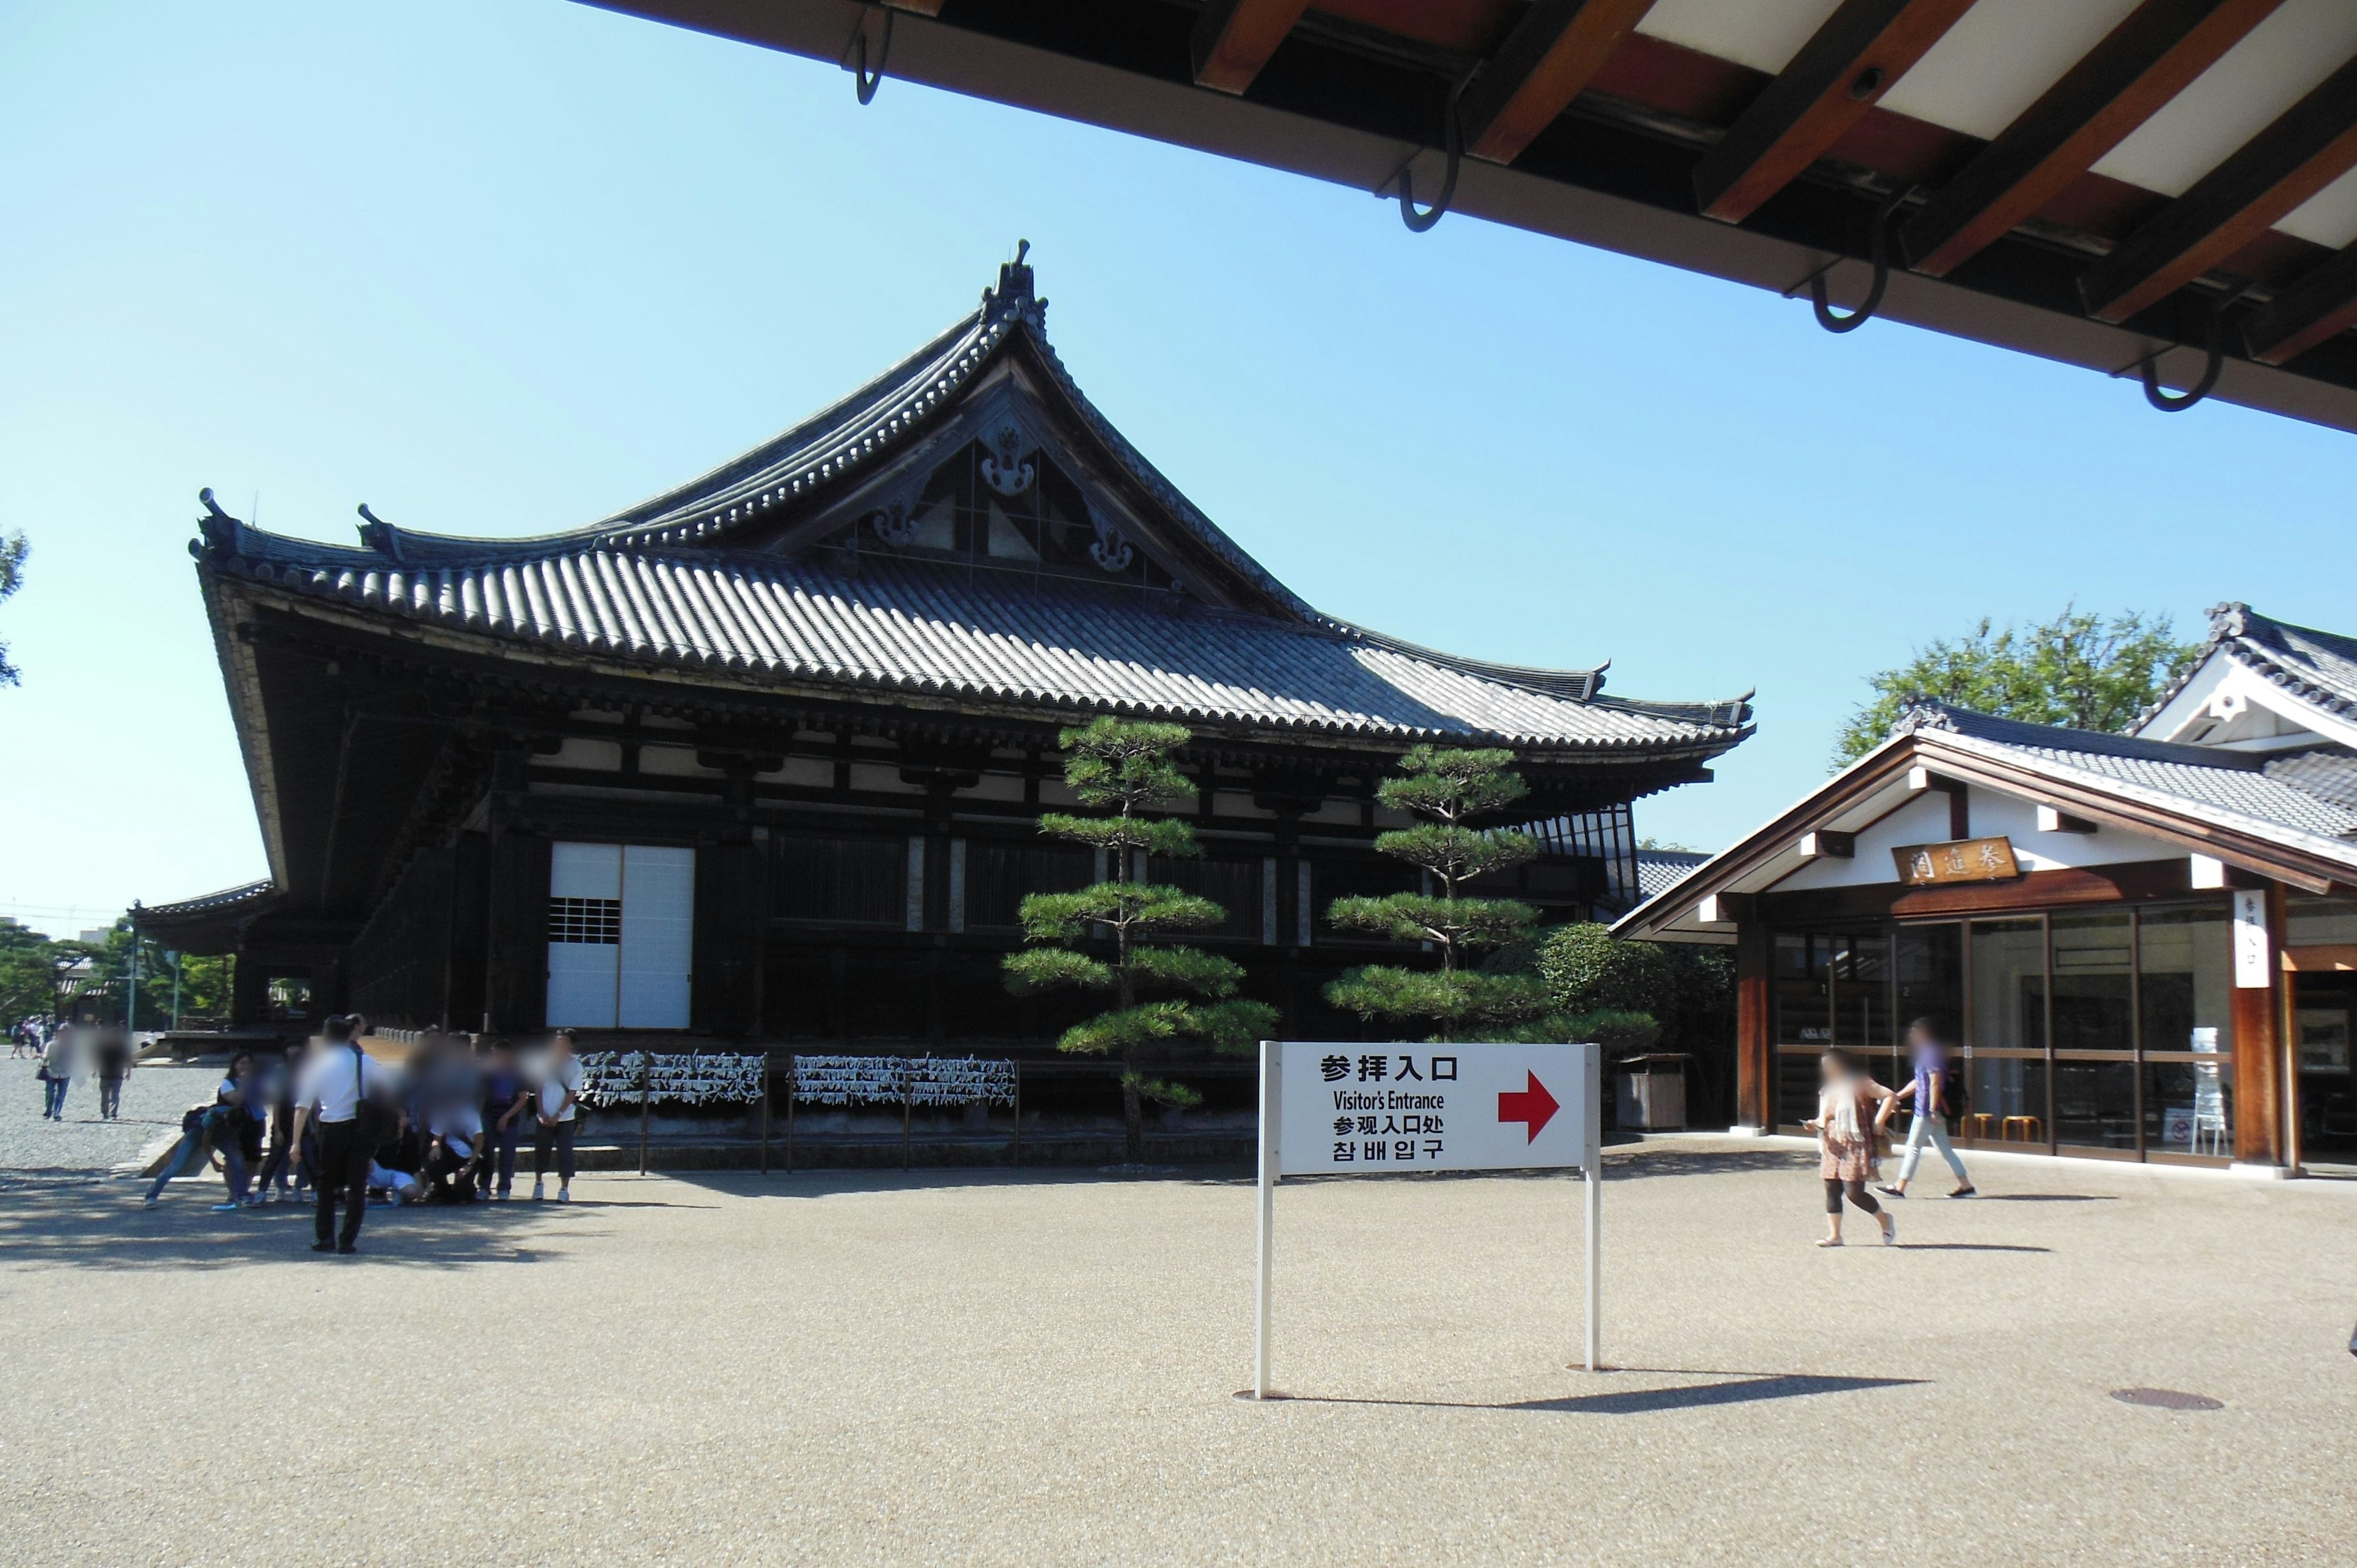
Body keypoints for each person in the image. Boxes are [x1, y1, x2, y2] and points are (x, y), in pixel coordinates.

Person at [291, 1016, 393, 1255]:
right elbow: (389, 1089)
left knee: (326, 1185)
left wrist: (295, 1142)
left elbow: (303, 1106)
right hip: (361, 1128)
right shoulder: (364, 1061)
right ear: (349, 1035)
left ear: (326, 1038)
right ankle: (347, 1240)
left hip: (331, 1128)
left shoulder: (318, 1064)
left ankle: (324, 1238)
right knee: (357, 1186)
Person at [1801, 1049, 1898, 1248]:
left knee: (1854, 1192)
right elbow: (1826, 1117)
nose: (1826, 1069)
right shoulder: (1829, 1089)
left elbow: (1890, 1096)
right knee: (1832, 1189)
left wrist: (1879, 1121)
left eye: (1830, 1065)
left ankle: (1885, 1220)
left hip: (1856, 1143)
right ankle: (1835, 1235)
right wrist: (1814, 1123)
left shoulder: (1860, 1082)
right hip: (1833, 1144)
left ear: (1841, 1064)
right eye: (1824, 1066)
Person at [1876, 1018, 1976, 1201]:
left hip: (1927, 1110)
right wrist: (1898, 1096)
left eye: (1914, 1032)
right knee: (1945, 1149)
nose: (1911, 1036)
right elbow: (1919, 1081)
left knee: (1913, 1147)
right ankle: (1966, 1185)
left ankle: (1900, 1187)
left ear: (1924, 1033)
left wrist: (1931, 1108)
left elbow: (1936, 1081)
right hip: (1929, 1109)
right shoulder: (1926, 1052)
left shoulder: (1931, 1052)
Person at [143, 1051, 254, 1210]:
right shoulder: (222, 1099)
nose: (245, 1067)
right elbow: (207, 1139)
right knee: (177, 1165)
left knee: (237, 1161)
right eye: (242, 1063)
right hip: (200, 1132)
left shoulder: (240, 1113)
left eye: (248, 1063)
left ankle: (241, 1195)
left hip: (223, 1133)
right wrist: (213, 1161)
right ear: (234, 1065)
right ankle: (151, 1196)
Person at [247, 1041, 306, 1206]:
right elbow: (277, 1102)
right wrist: (278, 1127)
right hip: (285, 1120)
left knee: (306, 1157)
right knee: (276, 1157)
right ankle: (271, 1189)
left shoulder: (309, 1072)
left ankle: (299, 1189)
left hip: (304, 1122)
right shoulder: (281, 1071)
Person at [531, 1028, 582, 1203]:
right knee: (541, 1150)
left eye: (564, 1042)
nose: (559, 1044)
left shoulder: (576, 1066)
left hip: (566, 1117)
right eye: (558, 1041)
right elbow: (538, 1087)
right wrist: (541, 1112)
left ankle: (564, 1189)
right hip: (544, 1115)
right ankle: (538, 1183)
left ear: (571, 1045)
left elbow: (572, 1094)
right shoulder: (544, 1061)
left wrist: (559, 1114)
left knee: (565, 1152)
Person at [475, 1040, 530, 1201]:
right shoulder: (489, 1073)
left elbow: (523, 1098)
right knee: (487, 1151)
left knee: (508, 1153)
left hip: (510, 1115)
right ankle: (484, 1186)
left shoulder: (518, 1073)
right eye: (495, 1055)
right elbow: (483, 1096)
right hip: (489, 1115)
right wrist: (479, 1117)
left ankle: (504, 1186)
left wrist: (506, 1117)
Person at [38, 1021, 77, 1121]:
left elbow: (74, 1059)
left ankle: (57, 1113)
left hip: (65, 1072)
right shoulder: (51, 1045)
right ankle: (48, 1111)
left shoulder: (72, 1046)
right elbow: (46, 1057)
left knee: (61, 1094)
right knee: (50, 1093)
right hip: (52, 1071)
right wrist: (41, 1057)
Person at [93, 1027, 133, 1121]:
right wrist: (94, 1070)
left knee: (115, 1095)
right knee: (104, 1096)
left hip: (117, 1075)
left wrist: (128, 1072)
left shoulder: (122, 1048)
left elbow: (128, 1061)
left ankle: (113, 1114)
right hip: (104, 1074)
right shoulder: (103, 1047)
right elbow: (98, 1059)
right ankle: (105, 1113)